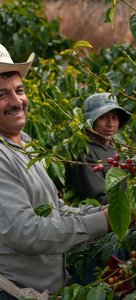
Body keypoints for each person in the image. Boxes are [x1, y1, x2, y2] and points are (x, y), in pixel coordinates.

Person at [0, 44, 110, 299]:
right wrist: (102, 222)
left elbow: (52, 208)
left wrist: (101, 213)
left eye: (19, 90)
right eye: (2, 94)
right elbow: (26, 232)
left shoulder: (23, 143)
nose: (17, 101)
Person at [67, 92, 131, 205]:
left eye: (114, 117)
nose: (110, 124)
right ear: (90, 122)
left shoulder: (115, 147)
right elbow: (100, 199)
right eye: (102, 117)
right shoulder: (84, 151)